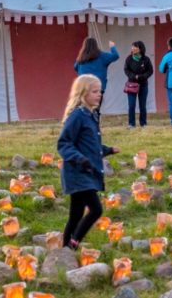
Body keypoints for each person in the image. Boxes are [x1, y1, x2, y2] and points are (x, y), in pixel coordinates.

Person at [57, 74, 120, 249]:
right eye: (94, 91)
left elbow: (90, 144)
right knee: (96, 209)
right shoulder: (77, 116)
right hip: (78, 173)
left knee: (76, 215)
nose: (99, 95)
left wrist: (107, 150)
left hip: (86, 172)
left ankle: (65, 250)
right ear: (83, 93)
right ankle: (73, 243)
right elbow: (64, 143)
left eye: (99, 91)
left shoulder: (90, 116)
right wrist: (80, 159)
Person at [74, 37, 119, 111]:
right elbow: (115, 56)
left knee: (84, 110)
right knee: (95, 110)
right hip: (97, 88)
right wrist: (112, 46)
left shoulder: (81, 57)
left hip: (83, 88)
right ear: (96, 45)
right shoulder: (102, 56)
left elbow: (75, 67)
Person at [123, 41, 153, 128]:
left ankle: (143, 123)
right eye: (132, 46)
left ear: (140, 48)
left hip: (143, 85)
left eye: (135, 47)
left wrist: (141, 77)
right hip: (131, 85)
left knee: (142, 105)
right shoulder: (129, 58)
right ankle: (131, 124)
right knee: (131, 105)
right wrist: (133, 76)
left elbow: (150, 71)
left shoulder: (146, 59)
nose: (132, 48)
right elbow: (126, 70)